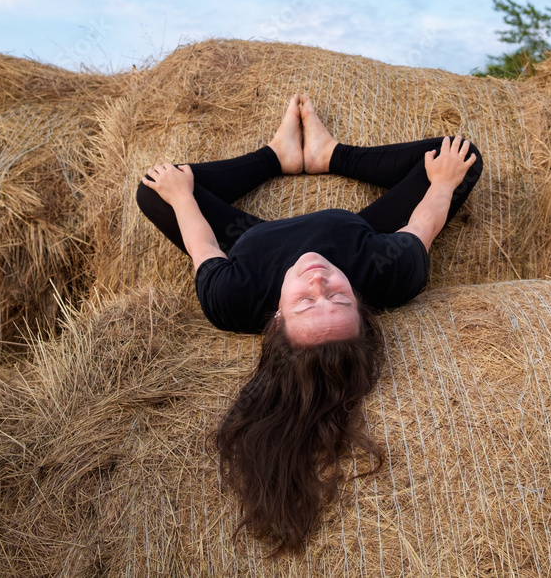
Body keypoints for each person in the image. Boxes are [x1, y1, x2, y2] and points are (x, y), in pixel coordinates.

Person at [136, 93, 481, 554]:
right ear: (360, 301)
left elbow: (203, 244)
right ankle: (328, 154)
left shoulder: (232, 298)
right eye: (338, 297)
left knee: (155, 189)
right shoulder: (385, 271)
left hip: (252, 238)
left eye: (304, 304)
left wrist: (181, 195)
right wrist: (440, 184)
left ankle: (274, 156)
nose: (318, 280)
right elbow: (424, 223)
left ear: (276, 319)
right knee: (460, 157)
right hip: (350, 227)